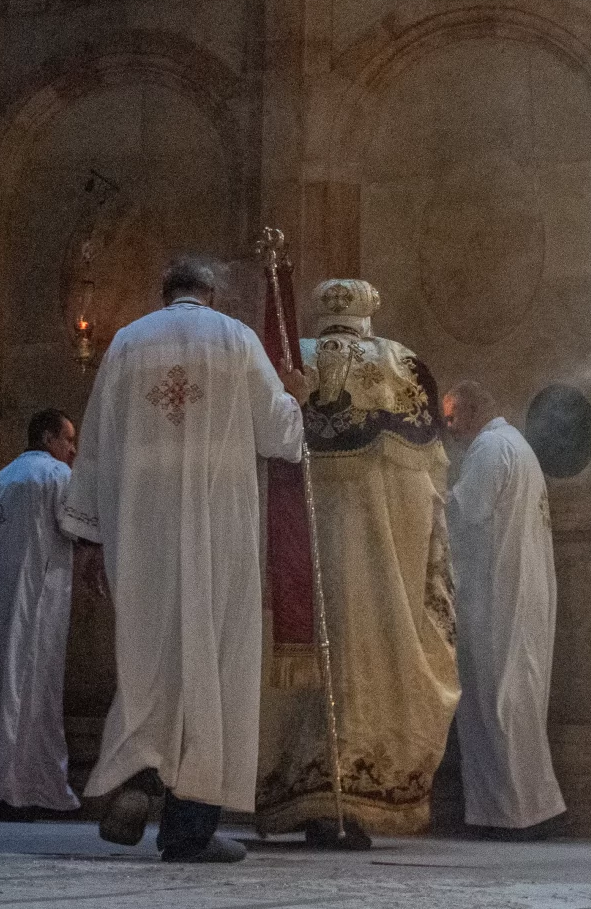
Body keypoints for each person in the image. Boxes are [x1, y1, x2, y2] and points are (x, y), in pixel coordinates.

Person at [62, 255, 310, 864]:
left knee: (150, 656)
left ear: (164, 291)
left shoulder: (124, 342)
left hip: (141, 527)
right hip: (219, 524)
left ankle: (144, 770)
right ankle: (187, 828)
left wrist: (91, 536)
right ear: (212, 291)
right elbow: (278, 433)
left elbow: (93, 441)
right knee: (216, 662)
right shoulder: (235, 338)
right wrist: (297, 397)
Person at [255, 279, 458, 843]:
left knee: (297, 654)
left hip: (299, 548)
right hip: (379, 563)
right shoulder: (401, 363)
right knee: (372, 651)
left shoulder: (291, 360)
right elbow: (429, 482)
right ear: (369, 311)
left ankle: (297, 786)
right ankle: (362, 793)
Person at [441, 383, 564, 837]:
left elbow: (463, 513)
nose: (449, 430)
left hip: (495, 594)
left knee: (495, 700)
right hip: (520, 590)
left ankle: (510, 816)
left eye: (452, 419)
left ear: (472, 411)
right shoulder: (517, 446)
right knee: (517, 702)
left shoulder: (491, 448)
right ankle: (533, 808)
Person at [0, 409, 81, 820]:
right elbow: (77, 527)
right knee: (27, 691)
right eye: (67, 439)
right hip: (34, 604)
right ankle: (13, 790)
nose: (72, 449)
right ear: (47, 437)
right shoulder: (56, 477)